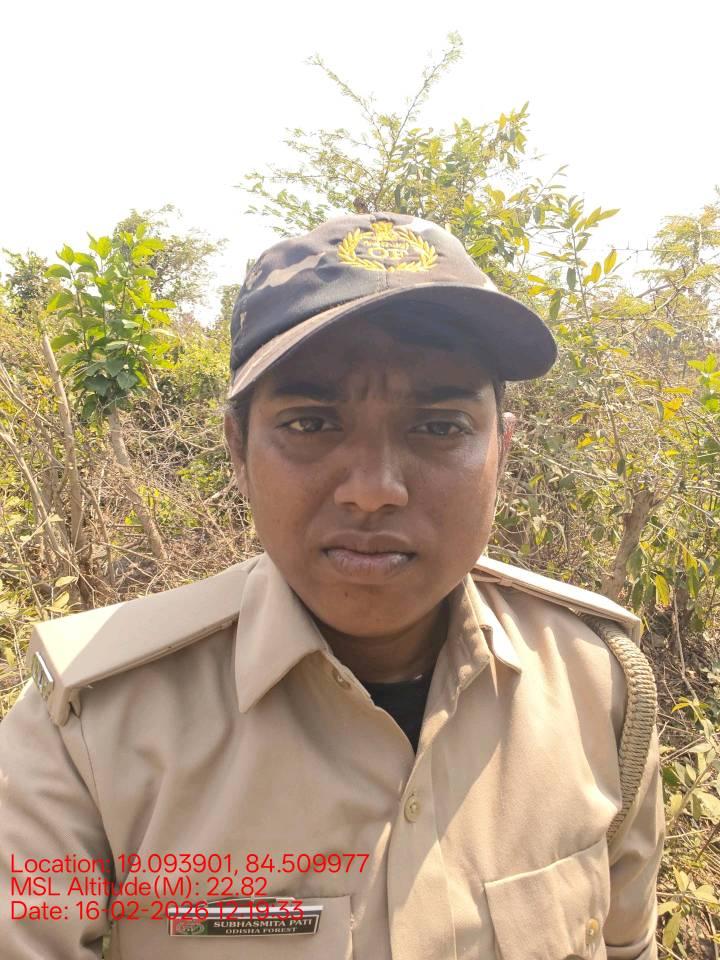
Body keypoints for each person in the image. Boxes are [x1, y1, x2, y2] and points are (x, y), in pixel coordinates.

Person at [0, 212, 665, 959]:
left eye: (440, 426)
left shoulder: (598, 686)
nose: (374, 490)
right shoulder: (88, 733)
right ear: (238, 450)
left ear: (501, 451)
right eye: (311, 423)